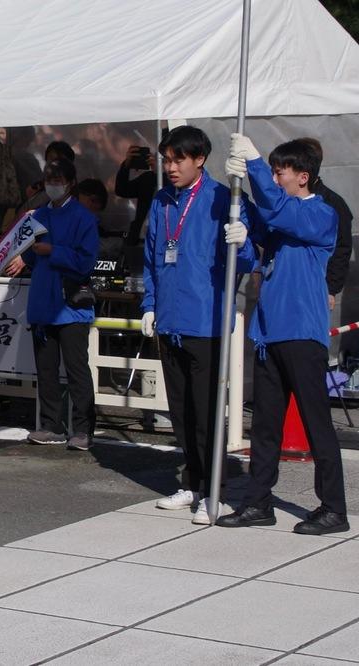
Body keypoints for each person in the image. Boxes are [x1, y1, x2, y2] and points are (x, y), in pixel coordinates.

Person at [218, 135, 349, 535]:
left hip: (301, 333)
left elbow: (277, 210)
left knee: (316, 424)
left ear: (303, 177)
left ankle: (333, 509)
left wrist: (255, 163)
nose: (275, 177)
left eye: (281, 171)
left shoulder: (322, 214)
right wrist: (239, 216)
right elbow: (264, 218)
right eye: (272, 170)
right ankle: (258, 501)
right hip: (269, 333)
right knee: (265, 426)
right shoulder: (281, 214)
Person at [139, 125, 255, 525]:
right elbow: (153, 256)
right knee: (181, 409)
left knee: (206, 411)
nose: (170, 167)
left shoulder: (223, 197)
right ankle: (190, 480)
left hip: (205, 319)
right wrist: (150, 304)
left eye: (177, 160)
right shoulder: (161, 200)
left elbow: (247, 260)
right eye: (166, 160)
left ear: (199, 159)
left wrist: (243, 242)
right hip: (170, 317)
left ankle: (213, 489)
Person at [5, 159, 99, 451]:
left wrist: (52, 251)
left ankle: (83, 429)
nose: (51, 183)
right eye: (48, 178)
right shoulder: (39, 214)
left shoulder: (84, 217)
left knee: (76, 370)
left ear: (70, 182)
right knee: (45, 370)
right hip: (43, 304)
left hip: (71, 306)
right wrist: (25, 258)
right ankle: (50, 424)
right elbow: (32, 254)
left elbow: (86, 262)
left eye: (57, 178)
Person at [300, 137, 353, 368]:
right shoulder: (287, 201)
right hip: (289, 286)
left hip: (318, 285)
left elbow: (342, 250)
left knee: (310, 344)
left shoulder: (332, 203)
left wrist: (331, 288)